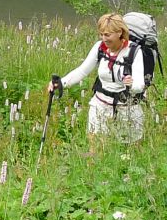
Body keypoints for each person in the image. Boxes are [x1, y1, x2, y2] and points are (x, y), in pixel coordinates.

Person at [50, 12, 147, 143]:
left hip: (127, 110)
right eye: (101, 34)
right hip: (99, 106)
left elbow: (140, 85)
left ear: (119, 32)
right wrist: (61, 83)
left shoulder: (134, 51)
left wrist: (131, 85)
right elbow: (82, 71)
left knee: (129, 150)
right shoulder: (99, 47)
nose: (104, 38)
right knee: (95, 147)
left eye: (107, 35)